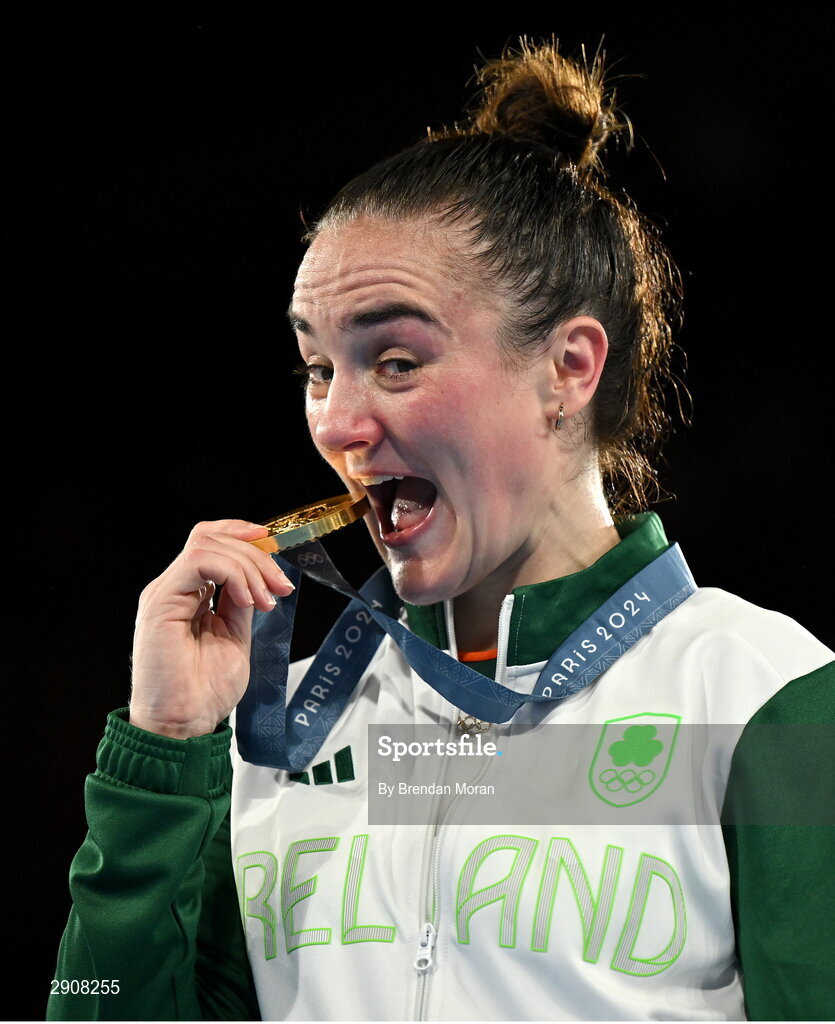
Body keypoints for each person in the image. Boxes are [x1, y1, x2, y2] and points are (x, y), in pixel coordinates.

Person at [48, 40, 834, 1021]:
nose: (334, 422)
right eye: (317, 369)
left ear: (568, 368)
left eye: (396, 360)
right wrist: (166, 752)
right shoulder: (276, 731)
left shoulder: (766, 695)